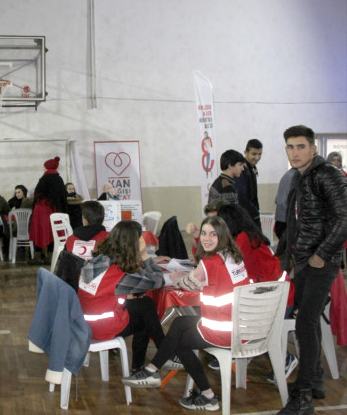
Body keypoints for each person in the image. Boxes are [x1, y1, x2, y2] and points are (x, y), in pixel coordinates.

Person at [122, 216, 250, 412]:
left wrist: (177, 277)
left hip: (223, 330)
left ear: (222, 236)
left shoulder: (210, 261)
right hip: (241, 326)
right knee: (180, 324)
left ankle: (207, 395)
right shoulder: (234, 257)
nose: (206, 238)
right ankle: (152, 370)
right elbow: (216, 281)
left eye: (212, 234)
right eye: (204, 233)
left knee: (179, 341)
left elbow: (188, 283)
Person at [277, 125, 347, 415]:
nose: (295, 153)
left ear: (313, 148)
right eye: (290, 147)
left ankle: (303, 396)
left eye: (301, 147)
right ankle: (315, 380)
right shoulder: (299, 176)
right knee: (309, 322)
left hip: (321, 262)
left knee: (305, 323)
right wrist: (291, 260)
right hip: (304, 261)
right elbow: (296, 223)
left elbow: (345, 218)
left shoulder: (327, 174)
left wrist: (322, 254)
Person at [78, 221, 173, 373]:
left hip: (84, 323)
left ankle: (158, 358)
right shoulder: (119, 276)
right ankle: (156, 359)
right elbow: (157, 281)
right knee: (146, 313)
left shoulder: (98, 260)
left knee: (144, 304)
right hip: (101, 327)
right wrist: (145, 256)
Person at [216, 203, 297, 381]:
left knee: (240, 318)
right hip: (272, 294)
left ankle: (284, 359)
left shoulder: (243, 239)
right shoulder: (248, 235)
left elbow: (227, 265)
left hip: (277, 298)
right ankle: (241, 350)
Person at [29, 156, 67, 261]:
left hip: (41, 210)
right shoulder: (59, 179)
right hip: (54, 210)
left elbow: (37, 194)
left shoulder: (43, 179)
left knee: (40, 232)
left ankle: (39, 255)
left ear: (47, 167)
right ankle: (51, 255)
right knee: (53, 232)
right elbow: (62, 197)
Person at [235, 139, 263, 226]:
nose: (257, 157)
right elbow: (241, 197)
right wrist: (254, 213)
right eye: (254, 154)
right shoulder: (242, 169)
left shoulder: (251, 167)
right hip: (246, 216)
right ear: (246, 153)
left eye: (260, 154)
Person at [274, 168, 296, 240]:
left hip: (283, 220)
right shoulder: (292, 176)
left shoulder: (289, 175)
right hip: (285, 221)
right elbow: (282, 201)